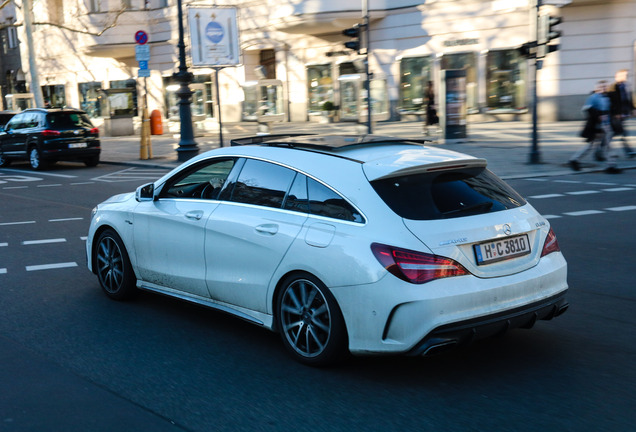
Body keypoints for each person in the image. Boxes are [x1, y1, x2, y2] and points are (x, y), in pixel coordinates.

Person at [569, 80, 621, 174]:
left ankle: (611, 165)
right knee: (592, 145)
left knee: (607, 145)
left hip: (607, 124)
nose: (603, 88)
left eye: (605, 86)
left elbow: (613, 108)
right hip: (597, 125)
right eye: (601, 87)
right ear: (597, 88)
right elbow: (587, 109)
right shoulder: (593, 97)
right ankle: (574, 160)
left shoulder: (608, 97)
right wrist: (598, 116)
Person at [607, 69, 636, 158]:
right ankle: (629, 151)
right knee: (622, 132)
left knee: (614, 133)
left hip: (623, 114)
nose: (625, 77)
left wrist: (633, 109)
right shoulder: (612, 87)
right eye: (623, 75)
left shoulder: (626, 86)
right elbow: (611, 103)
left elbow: (629, 99)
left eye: (626, 75)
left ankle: (600, 150)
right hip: (615, 115)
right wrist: (616, 113)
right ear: (617, 76)